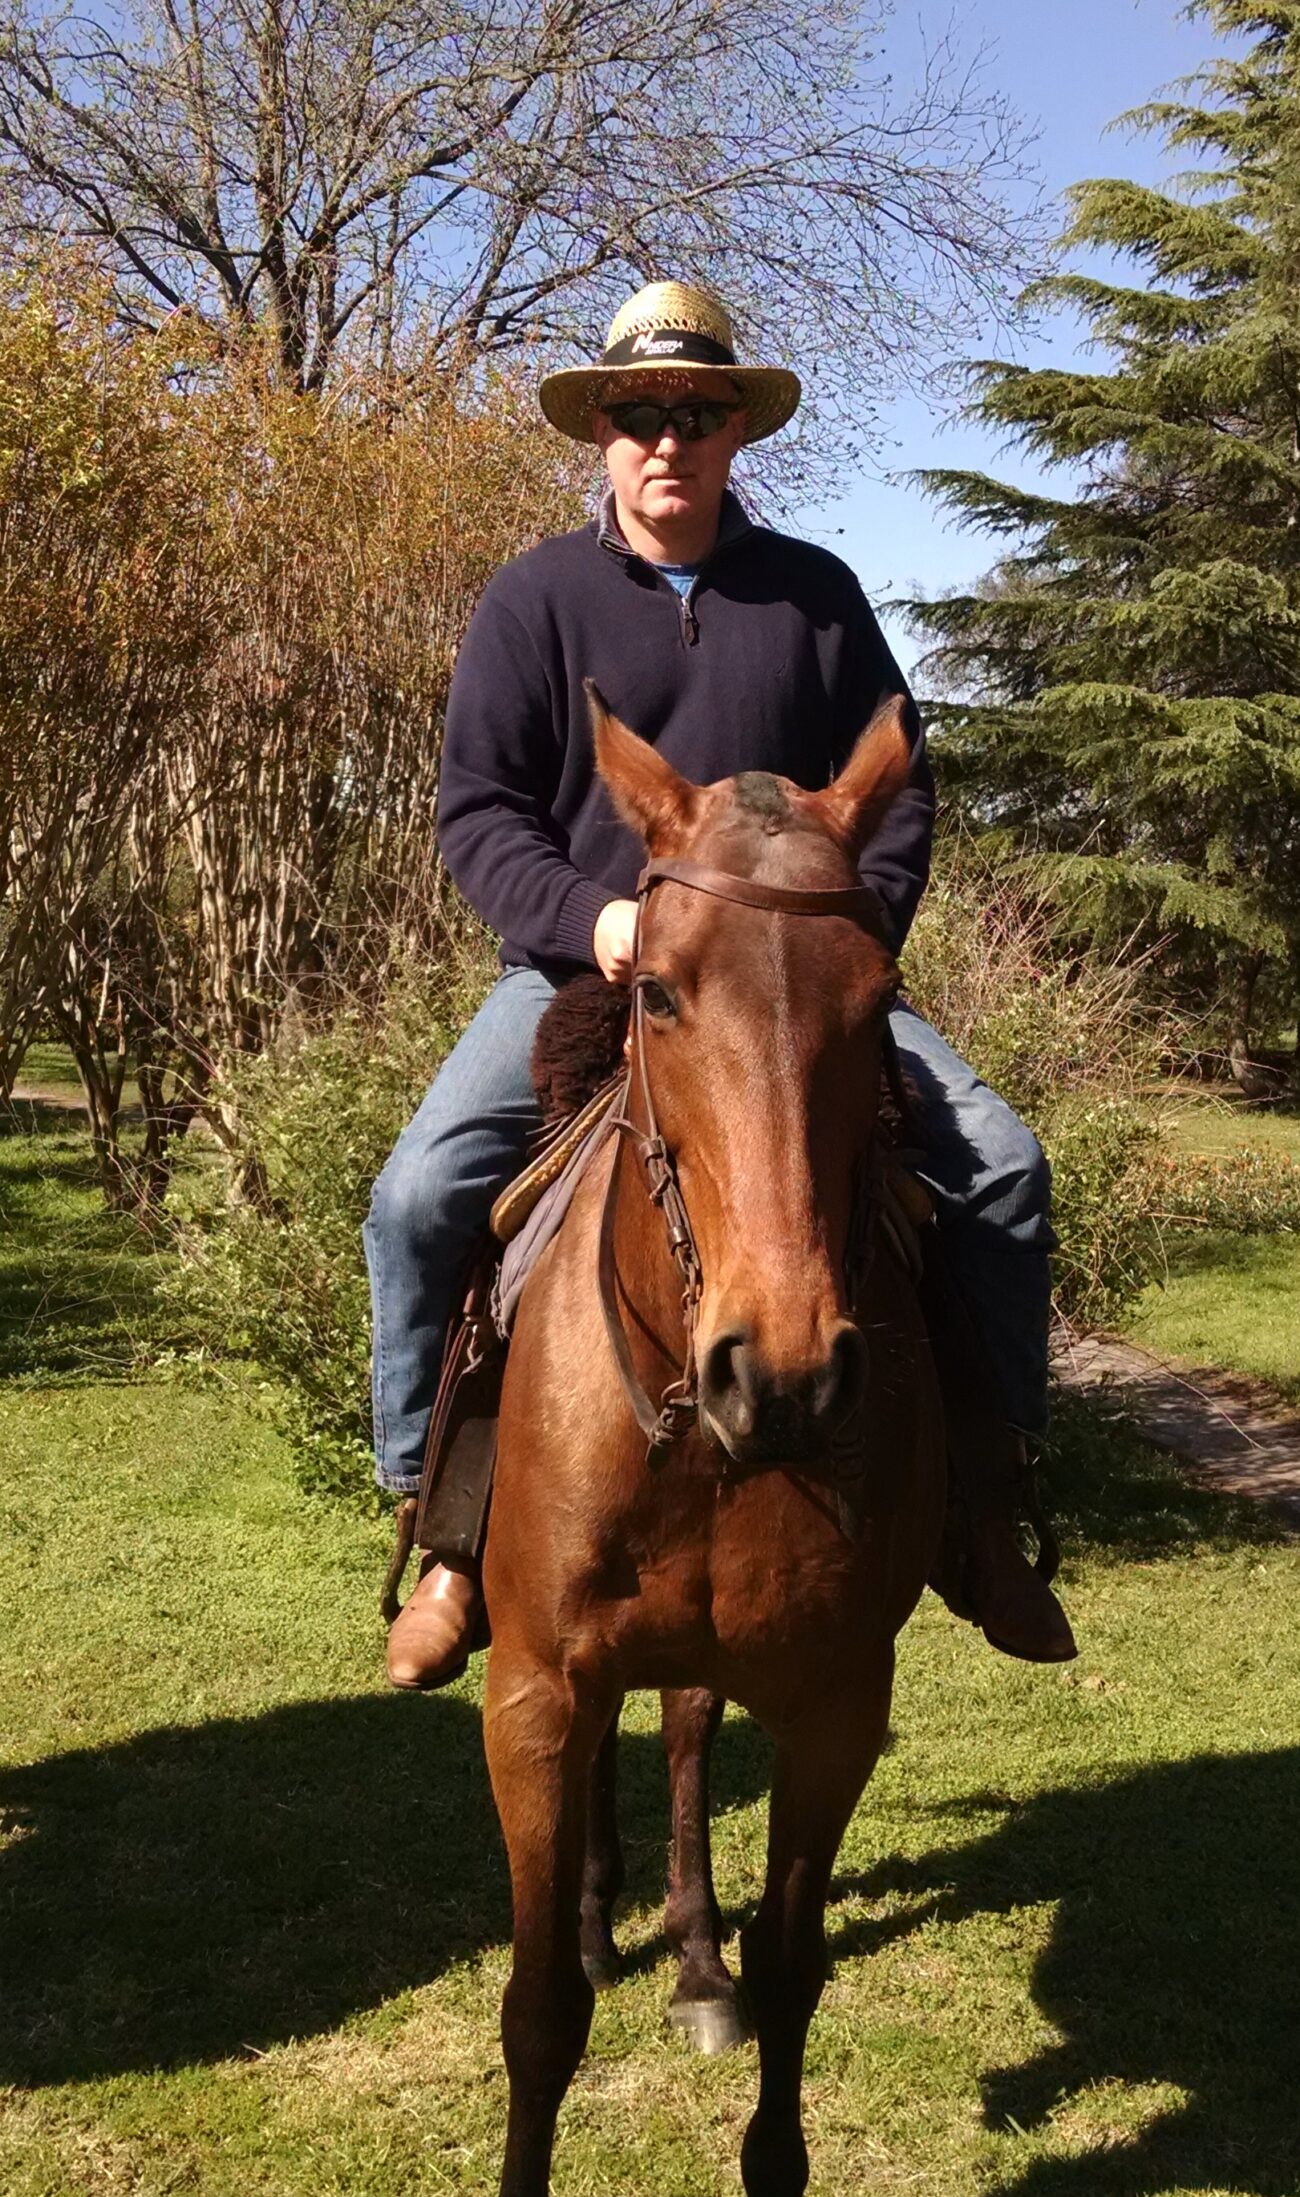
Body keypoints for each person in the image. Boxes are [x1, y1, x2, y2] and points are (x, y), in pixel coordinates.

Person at [366, 281, 1074, 1687]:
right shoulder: (534, 599)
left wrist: (845, 947)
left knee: (1003, 1171)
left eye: (695, 412)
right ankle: (443, 1531)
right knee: (420, 1196)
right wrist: (594, 920)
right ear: (603, 433)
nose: (666, 438)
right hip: (587, 975)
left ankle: (984, 1513)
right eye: (638, 413)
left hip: (796, 991)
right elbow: (479, 811)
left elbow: (899, 793)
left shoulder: (817, 596)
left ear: (736, 428)